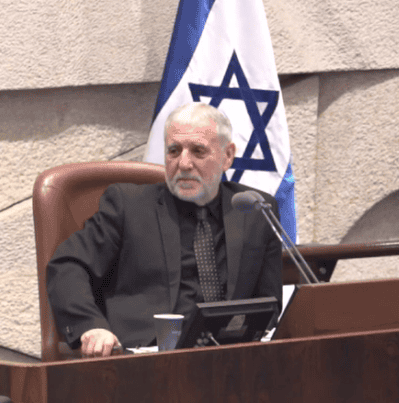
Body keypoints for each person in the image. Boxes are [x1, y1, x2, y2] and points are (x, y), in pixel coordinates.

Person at [47, 102, 282, 358]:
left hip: (230, 358)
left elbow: (269, 305)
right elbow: (68, 266)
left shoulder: (255, 210)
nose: (184, 163)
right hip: (146, 357)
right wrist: (91, 327)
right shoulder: (128, 206)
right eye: (174, 150)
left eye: (198, 151)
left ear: (227, 156)